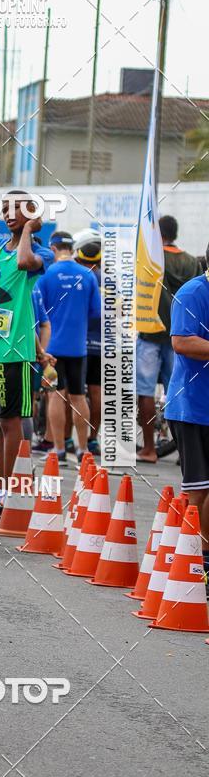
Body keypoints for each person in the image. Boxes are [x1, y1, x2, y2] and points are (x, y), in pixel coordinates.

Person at [0, 192, 54, 526]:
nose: (7, 215)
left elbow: (23, 264)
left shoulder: (37, 250)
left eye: (15, 209)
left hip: (15, 351)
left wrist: (30, 230)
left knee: (10, 423)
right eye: (4, 209)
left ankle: (9, 499)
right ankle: (1, 498)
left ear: (32, 213)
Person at [137, 215, 202, 463]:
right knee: (180, 389)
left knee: (145, 391)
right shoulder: (189, 261)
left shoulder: (152, 260)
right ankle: (183, 450)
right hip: (185, 333)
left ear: (158, 233)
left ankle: (149, 449)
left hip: (152, 331)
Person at [164, 244, 209, 594]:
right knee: (197, 490)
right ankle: (180, 561)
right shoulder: (193, 292)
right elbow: (182, 342)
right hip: (192, 407)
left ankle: (202, 560)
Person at [36, 231, 101, 466]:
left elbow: (37, 310)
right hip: (78, 347)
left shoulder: (46, 274)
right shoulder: (88, 275)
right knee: (78, 396)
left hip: (52, 348)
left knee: (55, 395)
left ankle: (59, 449)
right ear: (72, 249)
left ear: (53, 249)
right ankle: (83, 449)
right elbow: (96, 313)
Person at [73, 228, 102, 455]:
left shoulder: (79, 277)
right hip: (103, 344)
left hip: (78, 343)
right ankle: (92, 439)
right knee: (96, 392)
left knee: (72, 395)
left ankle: (64, 439)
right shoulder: (111, 280)